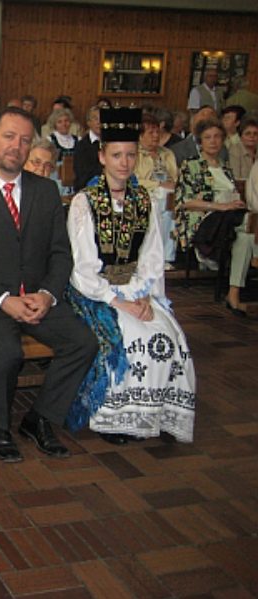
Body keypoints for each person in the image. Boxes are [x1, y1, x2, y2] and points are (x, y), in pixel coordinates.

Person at [0, 107, 97, 463]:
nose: (17, 146)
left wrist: (46, 294)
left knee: (83, 343)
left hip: (37, 298)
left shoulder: (46, 191)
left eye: (25, 140)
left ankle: (40, 418)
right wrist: (3, 300)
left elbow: (61, 254)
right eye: (10, 137)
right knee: (7, 352)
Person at [65, 107, 196, 445]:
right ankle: (116, 418)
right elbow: (83, 268)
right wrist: (118, 300)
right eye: (116, 155)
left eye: (130, 155)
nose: (124, 162)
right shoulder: (85, 202)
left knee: (167, 332)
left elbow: (152, 256)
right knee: (131, 337)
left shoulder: (143, 199)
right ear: (102, 156)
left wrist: (143, 294)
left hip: (137, 290)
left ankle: (156, 412)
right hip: (95, 291)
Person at [175, 118, 255, 314]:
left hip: (229, 218)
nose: (213, 141)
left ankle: (233, 294)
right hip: (204, 219)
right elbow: (185, 201)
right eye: (208, 137)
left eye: (218, 136)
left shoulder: (225, 166)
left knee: (246, 238)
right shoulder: (191, 165)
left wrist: (235, 203)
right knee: (251, 222)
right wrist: (220, 206)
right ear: (200, 142)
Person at [135, 113, 179, 270]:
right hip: (143, 193)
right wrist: (158, 184)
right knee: (162, 198)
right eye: (150, 133)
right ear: (140, 136)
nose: (155, 136)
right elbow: (133, 180)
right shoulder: (134, 154)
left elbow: (175, 177)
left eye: (157, 132)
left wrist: (171, 185)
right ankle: (156, 255)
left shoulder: (167, 153)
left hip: (169, 194)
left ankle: (166, 256)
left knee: (170, 200)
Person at [73, 106, 102, 190]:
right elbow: (82, 174)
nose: (99, 122)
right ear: (88, 123)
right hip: (87, 187)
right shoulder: (81, 145)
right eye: (95, 119)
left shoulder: (111, 143)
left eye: (102, 119)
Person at [228, 116, 258, 180]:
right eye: (248, 133)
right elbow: (236, 179)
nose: (252, 136)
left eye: (255, 134)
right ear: (240, 136)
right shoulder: (235, 150)